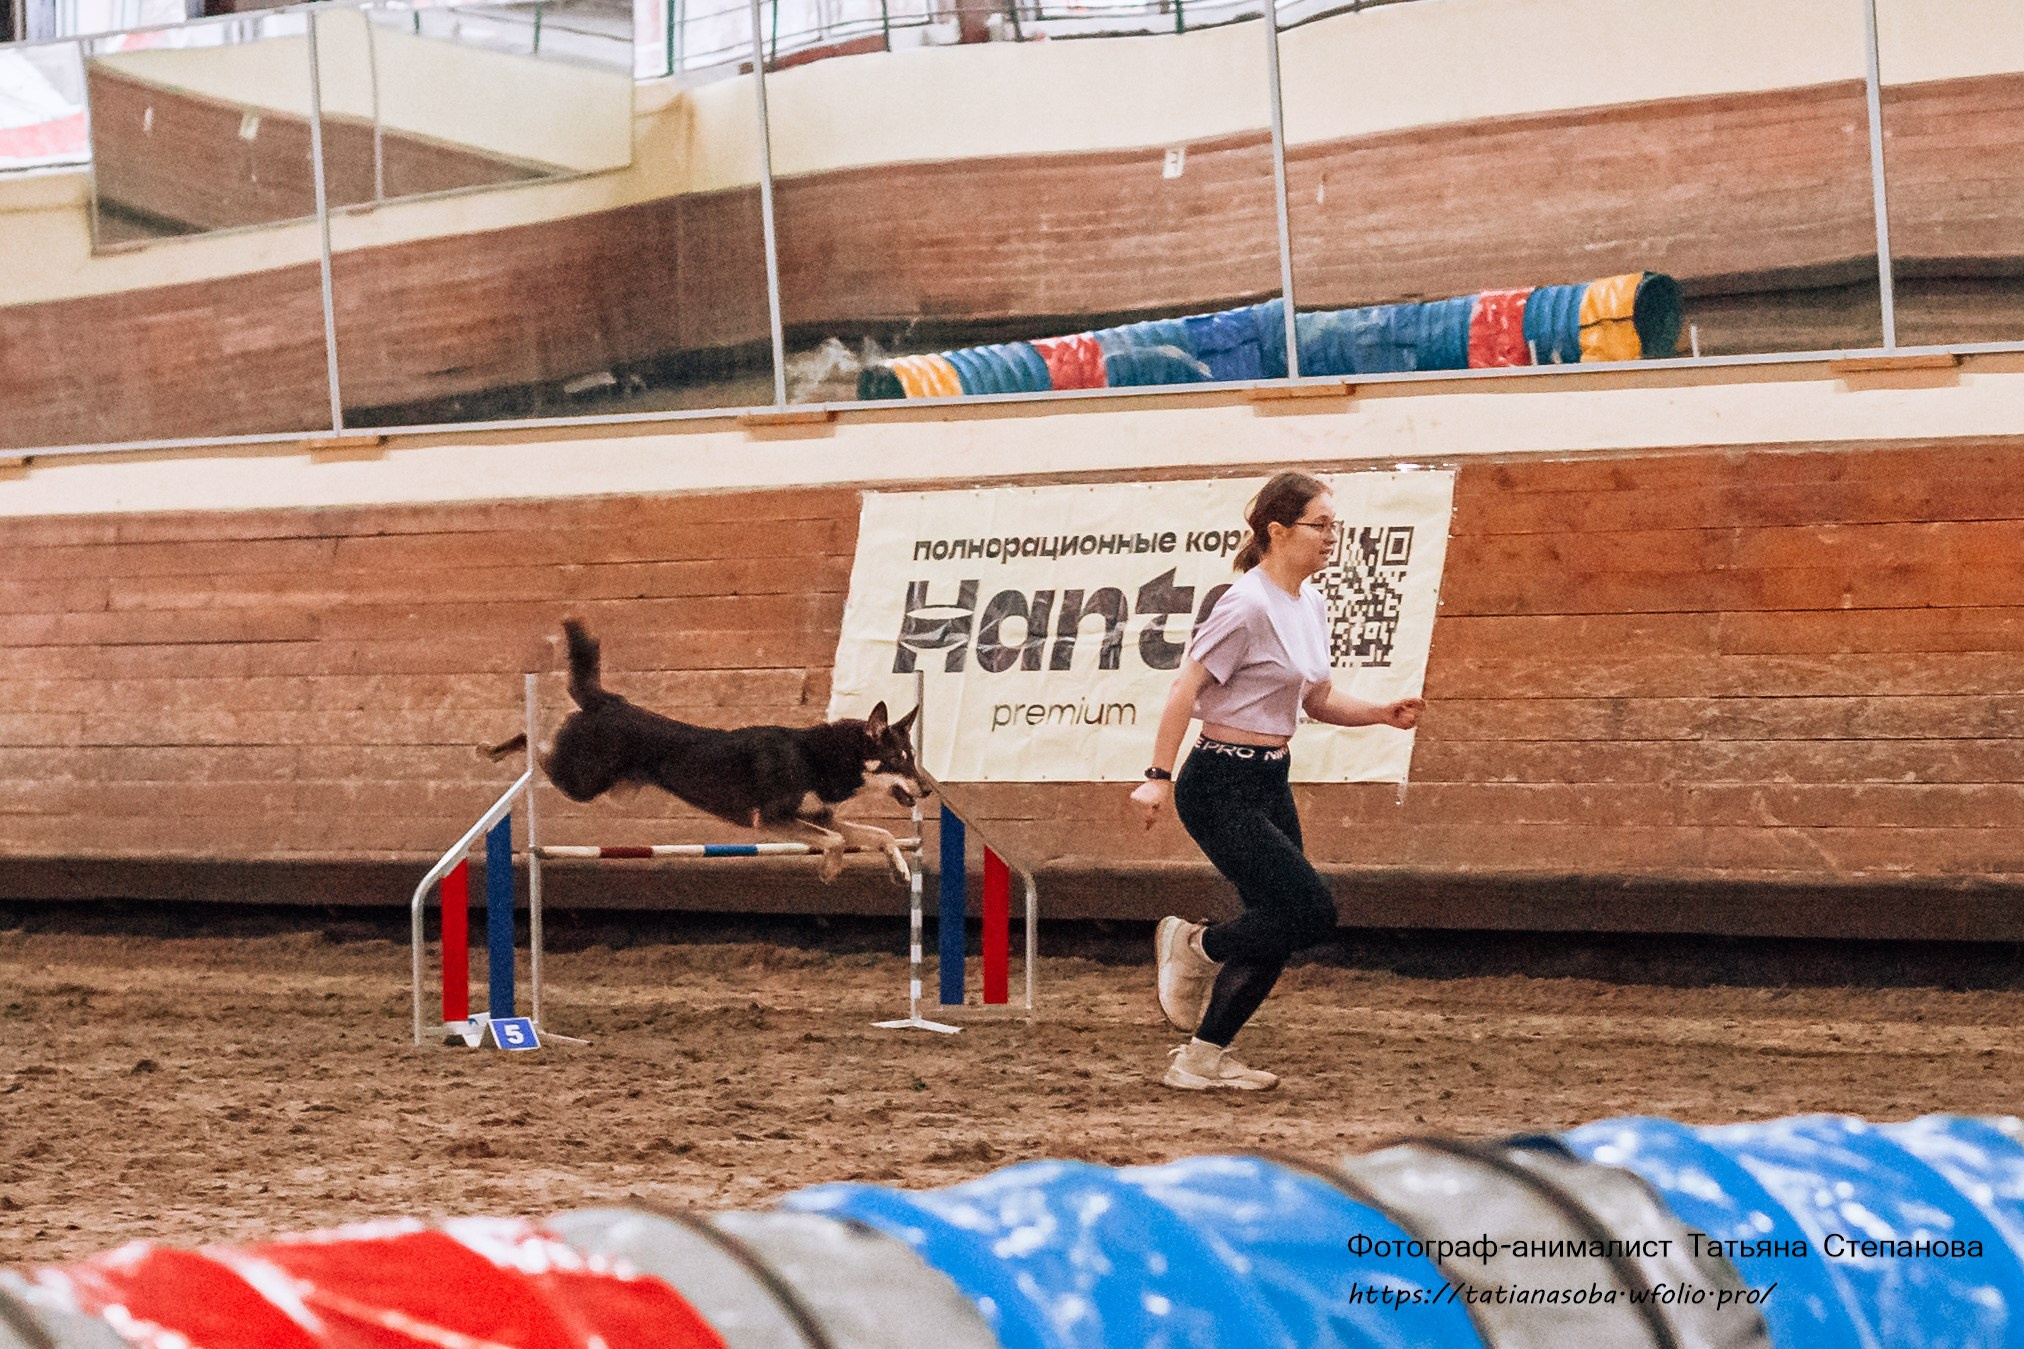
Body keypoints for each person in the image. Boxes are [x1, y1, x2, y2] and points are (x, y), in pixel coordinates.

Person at [1128, 471, 1423, 1090]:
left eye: (1333, 526)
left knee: (1282, 920)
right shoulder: (1246, 604)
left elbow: (1315, 699)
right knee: (1310, 911)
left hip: (1269, 778)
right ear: (1277, 531)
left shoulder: (1308, 602)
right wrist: (1157, 775)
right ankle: (1195, 948)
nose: (1331, 537)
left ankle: (1202, 1057)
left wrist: (1379, 713)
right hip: (1216, 782)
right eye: (1321, 525)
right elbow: (1186, 688)